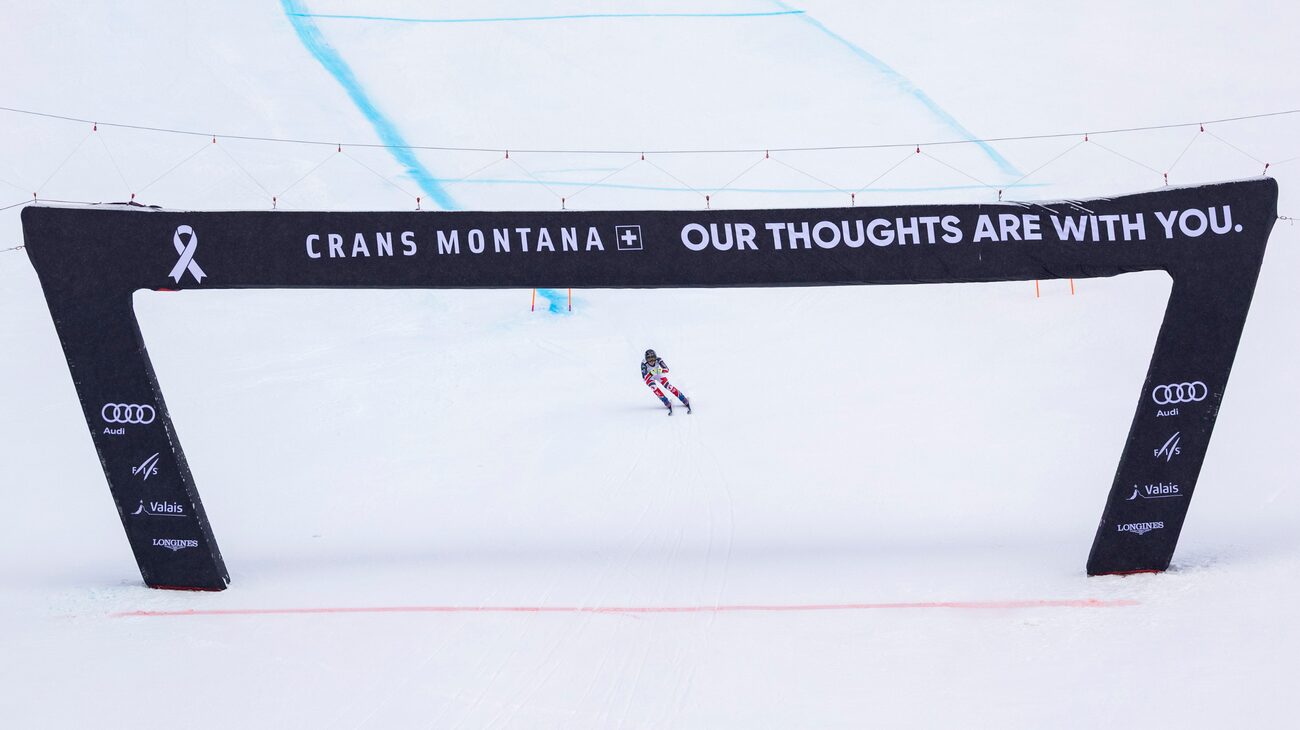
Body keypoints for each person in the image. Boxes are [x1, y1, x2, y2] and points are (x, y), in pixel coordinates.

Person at [641, 349, 691, 415]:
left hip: (657, 373)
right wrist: (652, 373)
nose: (652, 361)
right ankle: (666, 401)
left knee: (668, 386)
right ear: (646, 359)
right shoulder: (643, 363)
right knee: (654, 387)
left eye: (653, 359)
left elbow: (666, 369)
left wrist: (654, 372)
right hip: (649, 377)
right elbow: (644, 377)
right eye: (649, 360)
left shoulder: (658, 360)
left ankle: (683, 399)